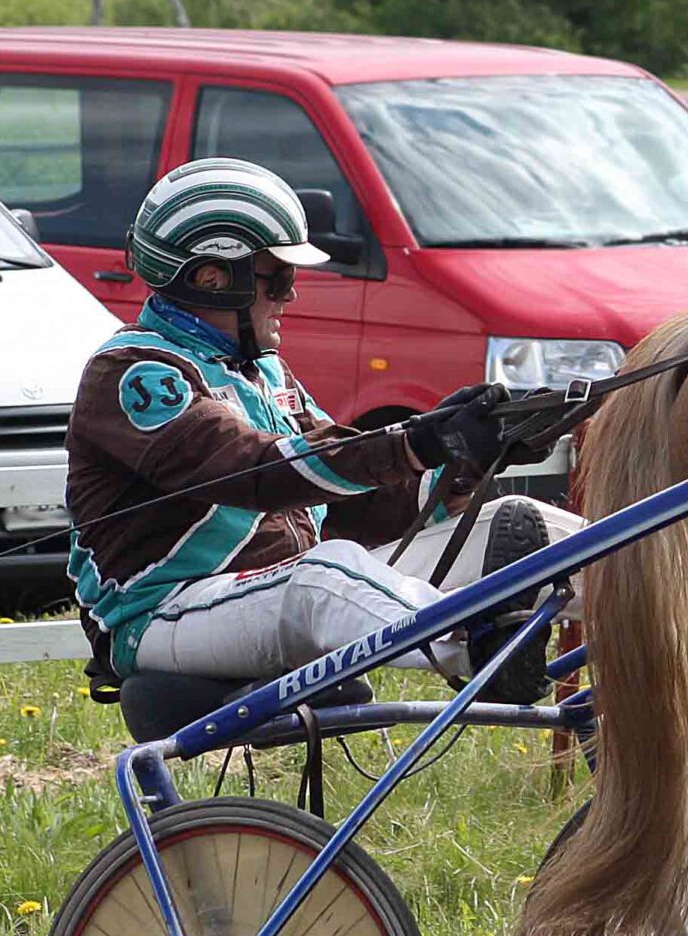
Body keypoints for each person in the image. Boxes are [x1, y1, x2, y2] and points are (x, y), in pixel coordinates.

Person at [66, 158, 581, 705]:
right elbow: (258, 472)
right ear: (211, 279)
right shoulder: (135, 374)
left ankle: (649, 592)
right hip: (161, 616)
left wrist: (465, 460)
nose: (290, 295)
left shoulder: (263, 372)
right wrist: (418, 443)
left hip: (271, 592)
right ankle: (479, 648)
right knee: (325, 572)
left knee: (511, 521)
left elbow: (352, 499)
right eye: (277, 278)